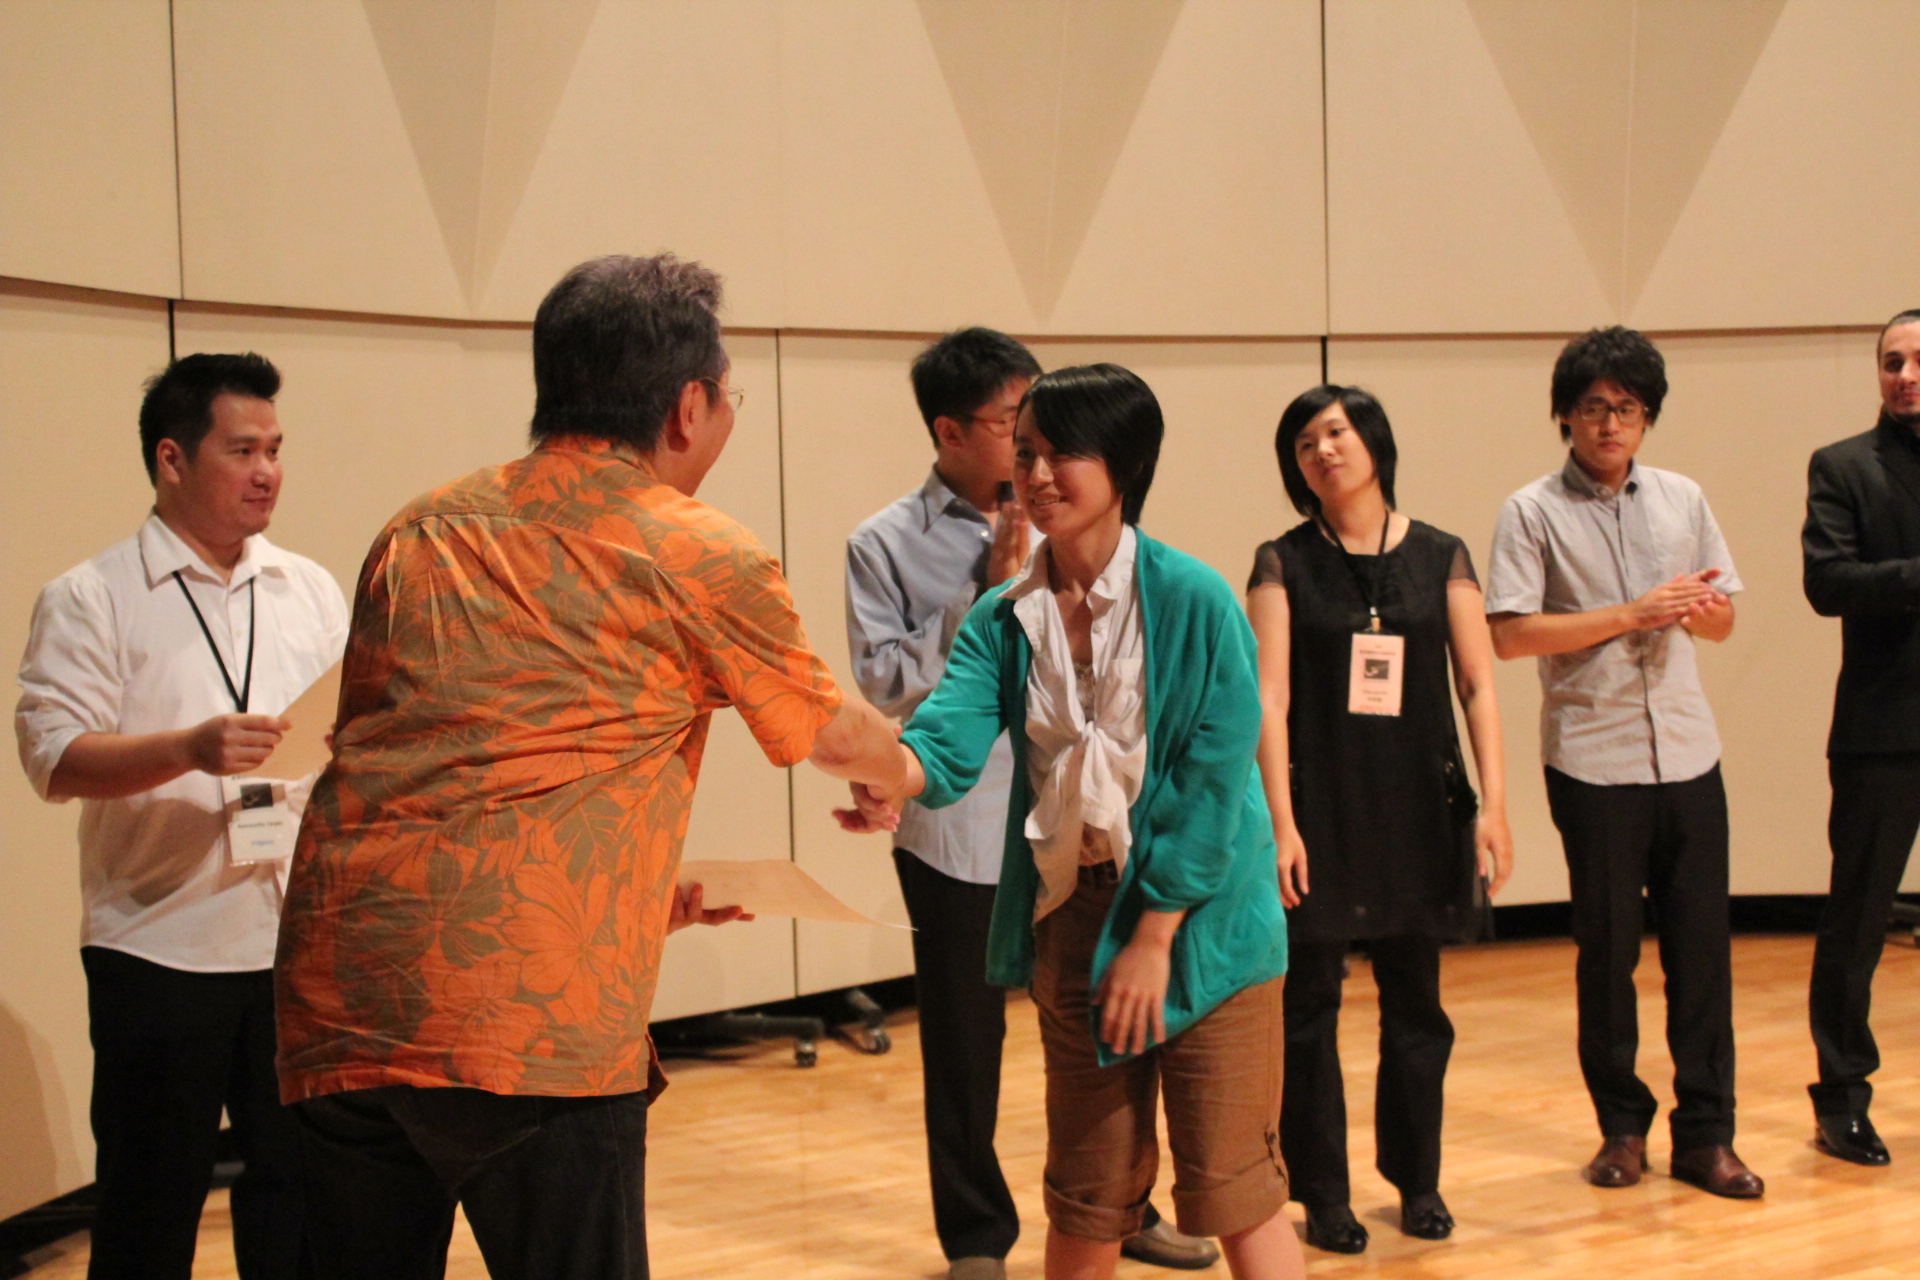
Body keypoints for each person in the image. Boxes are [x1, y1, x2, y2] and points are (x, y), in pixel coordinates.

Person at [273, 254, 909, 1280]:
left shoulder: (422, 526)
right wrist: (903, 773)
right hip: (532, 1012)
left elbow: (408, 760)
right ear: (689, 406)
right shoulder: (696, 548)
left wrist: (635, 899)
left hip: (343, 993)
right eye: (729, 397)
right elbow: (830, 733)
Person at [838, 364, 1306, 1280]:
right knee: (1087, 1194)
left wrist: (1155, 935)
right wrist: (888, 773)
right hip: (1077, 916)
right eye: (1025, 454)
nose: (1037, 476)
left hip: (1206, 922)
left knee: (1235, 1191)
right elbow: (945, 738)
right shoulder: (1004, 615)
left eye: (1063, 455)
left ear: (1125, 464)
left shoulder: (1194, 597)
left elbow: (1214, 782)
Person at [14, 353, 347, 1280]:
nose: (268, 471)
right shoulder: (93, 595)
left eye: (275, 449)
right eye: (243, 450)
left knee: (297, 1200)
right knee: (149, 1206)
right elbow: (53, 760)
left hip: (291, 944)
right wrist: (189, 749)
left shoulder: (308, 589)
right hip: (158, 945)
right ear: (171, 459)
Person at [1486, 326, 1762, 1199]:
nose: (1611, 424)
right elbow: (1510, 635)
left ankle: (1708, 1136)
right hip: (1592, 759)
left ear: (1648, 418)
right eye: (1595, 407)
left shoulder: (1682, 498)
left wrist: (1697, 613)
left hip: (1687, 751)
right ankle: (1622, 1129)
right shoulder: (1531, 510)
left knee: (1702, 954)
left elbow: (1724, 619)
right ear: (1565, 416)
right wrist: (1632, 613)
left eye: (1628, 408)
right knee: (1606, 955)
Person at [1245, 386, 1512, 1253]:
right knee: (1308, 1008)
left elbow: (1477, 684)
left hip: (1418, 806)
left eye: (1336, 432)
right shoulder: (1281, 561)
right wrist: (1280, 823)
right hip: (1321, 807)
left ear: (1374, 442)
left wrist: (1495, 806)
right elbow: (1268, 699)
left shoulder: (1441, 554)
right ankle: (1324, 1192)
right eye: (1304, 443)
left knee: (1418, 1004)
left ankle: (1417, 1179)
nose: (1322, 451)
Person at [1801, 307, 1920, 1167]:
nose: (1906, 375)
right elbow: (1828, 581)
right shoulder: (1844, 465)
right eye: (1892, 361)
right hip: (1886, 729)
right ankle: (1841, 1099)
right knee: (1859, 921)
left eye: (1918, 360)